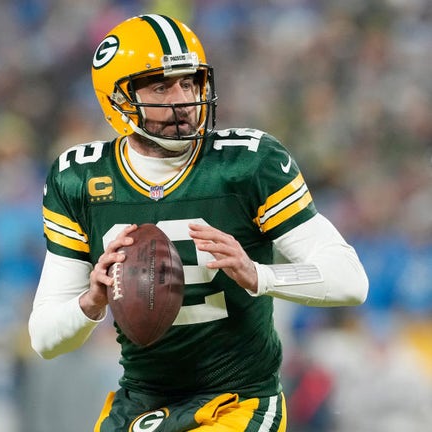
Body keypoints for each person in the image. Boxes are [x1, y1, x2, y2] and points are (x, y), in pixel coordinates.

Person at [28, 14, 368, 432]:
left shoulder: (247, 163)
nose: (183, 98)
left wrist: (259, 274)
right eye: (161, 86)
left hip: (239, 401)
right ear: (118, 98)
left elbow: (351, 280)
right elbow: (45, 338)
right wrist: (91, 303)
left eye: (189, 82)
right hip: (141, 402)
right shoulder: (78, 179)